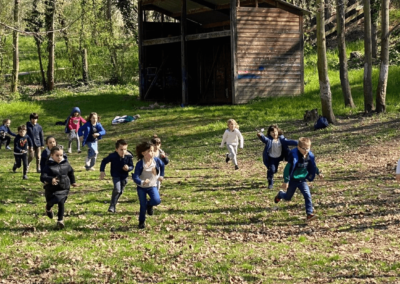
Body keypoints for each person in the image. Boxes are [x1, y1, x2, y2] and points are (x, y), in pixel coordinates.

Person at [274, 137, 323, 222]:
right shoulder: (294, 157)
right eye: (303, 148)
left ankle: (309, 214)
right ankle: (280, 194)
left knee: (307, 195)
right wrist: (286, 181)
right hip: (293, 180)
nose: (305, 150)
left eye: (307, 148)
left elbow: (313, 166)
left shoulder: (309, 156)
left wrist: (318, 173)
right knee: (288, 197)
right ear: (298, 147)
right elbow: (287, 169)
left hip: (302, 180)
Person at [42, 146, 77, 229]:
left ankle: (60, 220)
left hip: (64, 187)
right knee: (52, 201)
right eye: (57, 155)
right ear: (52, 155)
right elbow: (43, 176)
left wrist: (73, 182)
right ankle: (48, 207)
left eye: (61, 155)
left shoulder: (66, 164)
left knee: (61, 202)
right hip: (51, 189)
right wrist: (50, 179)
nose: (59, 157)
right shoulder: (48, 165)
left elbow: (71, 172)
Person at [132, 141, 164, 229]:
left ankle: (149, 205)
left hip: (152, 186)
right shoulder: (140, 164)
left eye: (153, 151)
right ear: (143, 153)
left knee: (157, 200)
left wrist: (161, 175)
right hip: (142, 188)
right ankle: (141, 221)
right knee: (142, 205)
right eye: (149, 151)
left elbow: (162, 165)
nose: (152, 153)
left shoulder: (156, 160)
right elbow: (135, 177)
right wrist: (142, 182)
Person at [257, 124, 298, 189]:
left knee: (293, 160)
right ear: (269, 133)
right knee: (273, 170)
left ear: (278, 132)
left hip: (281, 156)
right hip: (272, 158)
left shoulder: (281, 139)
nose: (274, 133)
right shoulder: (269, 140)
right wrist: (260, 135)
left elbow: (289, 141)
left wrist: (298, 142)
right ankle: (270, 181)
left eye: (275, 131)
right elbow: (264, 139)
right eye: (272, 132)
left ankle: (293, 176)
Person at [100, 139, 134, 213]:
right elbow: (104, 161)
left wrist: (128, 168)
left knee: (120, 191)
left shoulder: (128, 156)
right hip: (116, 175)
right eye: (121, 149)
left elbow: (132, 166)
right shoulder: (113, 156)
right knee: (117, 189)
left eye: (125, 149)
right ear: (116, 149)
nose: (123, 151)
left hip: (124, 176)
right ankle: (112, 206)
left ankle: (113, 203)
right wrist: (102, 171)